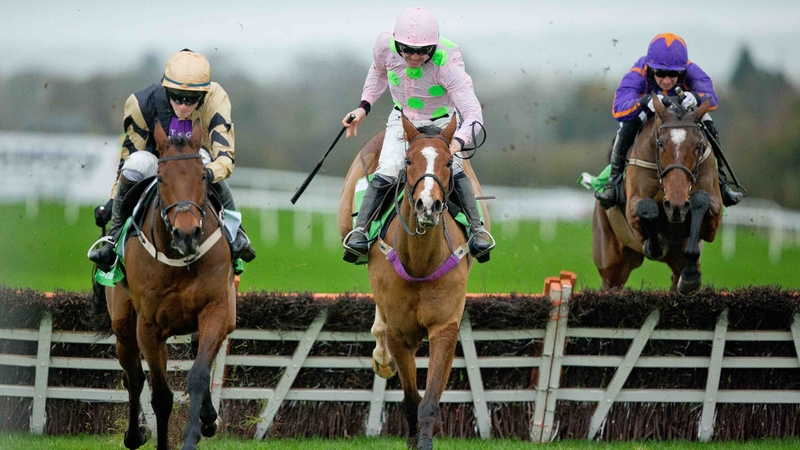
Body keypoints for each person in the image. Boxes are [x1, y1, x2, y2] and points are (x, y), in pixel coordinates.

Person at [340, 6, 494, 264]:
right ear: (397, 44)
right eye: (408, 50)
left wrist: (457, 141)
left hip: (442, 124)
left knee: (454, 169)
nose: (414, 56)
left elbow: (473, 113)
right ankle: (360, 231)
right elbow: (378, 72)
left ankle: (477, 231)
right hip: (404, 120)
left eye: (423, 51)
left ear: (433, 49)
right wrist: (364, 105)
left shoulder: (448, 65)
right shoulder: (384, 47)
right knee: (388, 167)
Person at [89, 49, 255, 271]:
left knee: (204, 160)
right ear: (165, 89)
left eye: (191, 100)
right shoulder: (140, 102)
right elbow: (127, 157)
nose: (183, 106)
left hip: (195, 163)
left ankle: (236, 234)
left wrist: (204, 173)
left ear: (204, 95)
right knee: (137, 162)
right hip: (156, 163)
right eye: (177, 97)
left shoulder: (217, 98)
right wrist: (112, 201)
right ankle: (113, 237)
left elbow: (224, 157)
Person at [595, 33, 744, 209]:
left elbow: (712, 98)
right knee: (628, 125)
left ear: (682, 70)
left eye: (673, 74)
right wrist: (643, 102)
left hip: (683, 115)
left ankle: (721, 181)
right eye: (660, 73)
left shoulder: (691, 69)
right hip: (650, 113)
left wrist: (696, 96)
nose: (666, 80)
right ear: (650, 68)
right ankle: (613, 183)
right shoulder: (638, 72)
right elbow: (618, 109)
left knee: (708, 123)